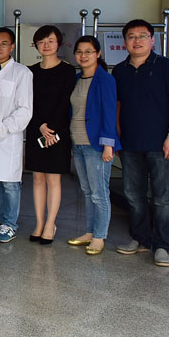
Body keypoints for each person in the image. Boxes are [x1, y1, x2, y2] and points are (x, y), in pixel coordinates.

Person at [112, 19, 169, 267]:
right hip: (130, 143)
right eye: (131, 36)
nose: (137, 40)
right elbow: (118, 105)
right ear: (125, 41)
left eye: (142, 36)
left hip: (161, 143)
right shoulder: (119, 70)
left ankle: (162, 245)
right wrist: (118, 136)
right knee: (134, 195)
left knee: (163, 197)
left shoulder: (165, 65)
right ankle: (140, 238)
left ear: (152, 40)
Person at [67, 36, 120, 256]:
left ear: (98, 54)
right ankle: (89, 232)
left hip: (96, 145)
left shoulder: (105, 80)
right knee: (87, 191)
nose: (83, 56)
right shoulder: (77, 79)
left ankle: (99, 236)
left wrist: (109, 145)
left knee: (99, 193)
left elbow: (110, 113)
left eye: (88, 51)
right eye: (79, 51)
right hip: (77, 143)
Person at [0, 27, 33, 243]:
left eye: (4, 44)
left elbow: (25, 109)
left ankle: (10, 223)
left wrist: (5, 128)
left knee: (10, 183)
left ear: (12, 47)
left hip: (8, 136)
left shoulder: (21, 73)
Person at [24, 25, 74, 244]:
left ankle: (50, 224)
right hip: (36, 129)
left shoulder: (67, 71)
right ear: (35, 44)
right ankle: (39, 223)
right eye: (41, 41)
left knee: (53, 178)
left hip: (57, 133)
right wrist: (40, 125)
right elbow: (27, 103)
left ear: (58, 43)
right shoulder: (30, 72)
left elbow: (65, 102)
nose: (46, 45)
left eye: (50, 41)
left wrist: (49, 127)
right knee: (37, 178)